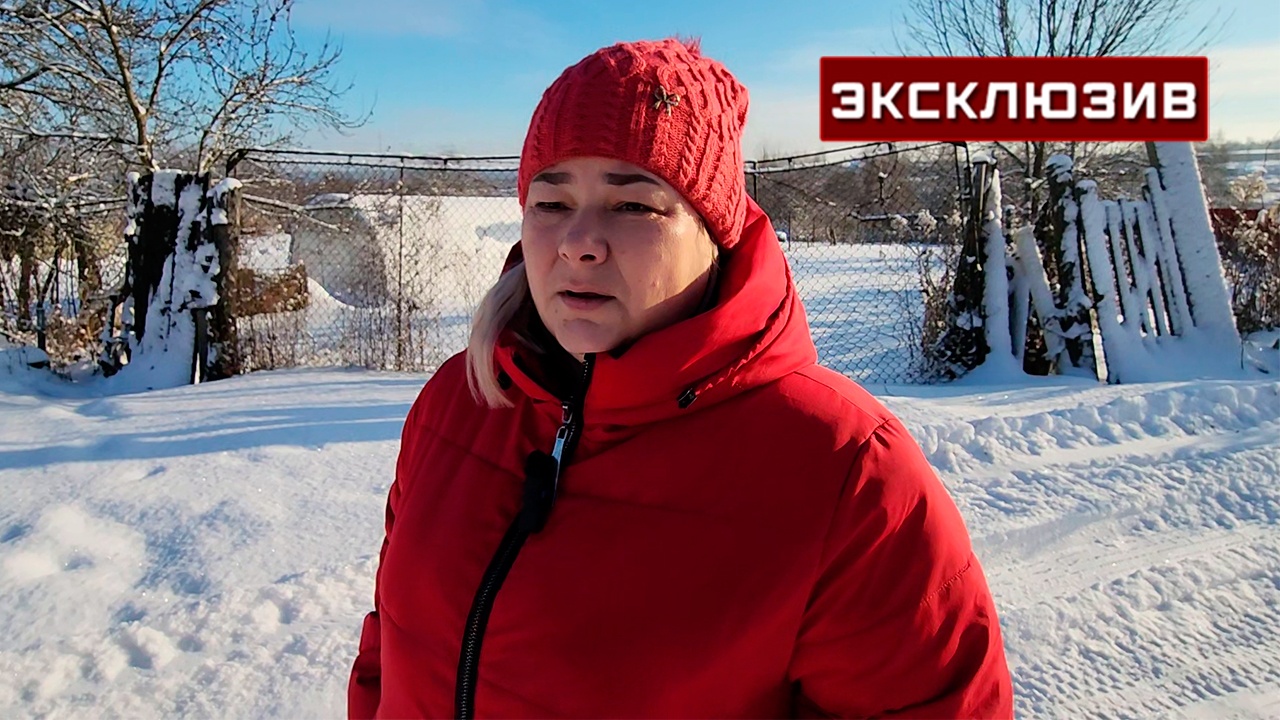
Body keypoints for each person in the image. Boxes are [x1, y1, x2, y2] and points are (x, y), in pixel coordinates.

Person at [349, 37, 1013, 719]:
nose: (579, 242)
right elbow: (389, 649)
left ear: (712, 231)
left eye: (632, 206)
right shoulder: (458, 401)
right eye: (551, 203)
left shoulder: (846, 471)